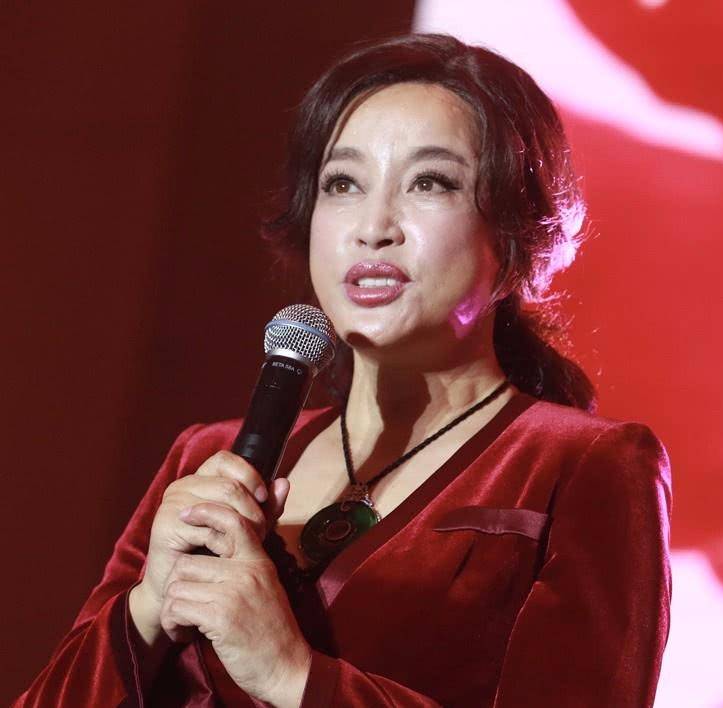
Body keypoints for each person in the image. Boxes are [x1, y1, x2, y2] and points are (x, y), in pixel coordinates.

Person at [17, 33, 672, 707]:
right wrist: (148, 606)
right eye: (343, 184)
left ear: (513, 234)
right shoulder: (205, 457)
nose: (373, 226)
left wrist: (294, 677)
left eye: (429, 182)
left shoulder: (586, 466)